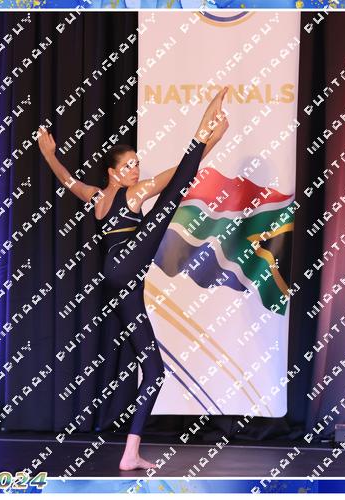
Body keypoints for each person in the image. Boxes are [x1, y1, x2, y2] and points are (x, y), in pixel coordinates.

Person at [38, 87, 230, 470]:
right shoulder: (134, 193)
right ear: (113, 173)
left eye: (137, 164)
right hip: (125, 262)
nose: (136, 171)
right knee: (172, 195)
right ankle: (202, 127)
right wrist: (212, 140)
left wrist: (49, 154)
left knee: (154, 372)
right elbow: (178, 173)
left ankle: (131, 453)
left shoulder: (96, 197)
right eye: (128, 166)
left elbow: (67, 180)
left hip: (121, 281)